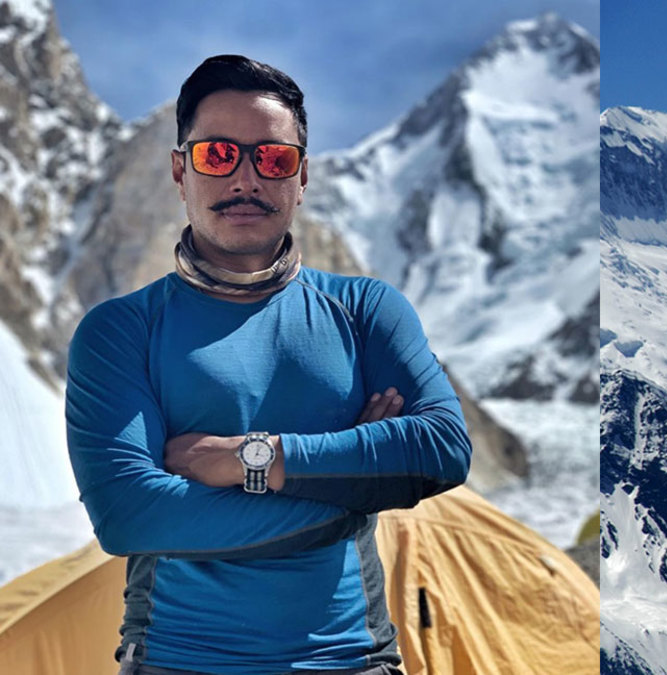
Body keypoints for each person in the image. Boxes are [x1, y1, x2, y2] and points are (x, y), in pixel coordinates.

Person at [65, 54, 472, 675]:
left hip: (353, 659)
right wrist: (360, 478)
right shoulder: (121, 331)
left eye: (274, 158)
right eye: (217, 155)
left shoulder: (366, 310)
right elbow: (129, 514)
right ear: (181, 170)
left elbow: (441, 449)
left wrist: (248, 459)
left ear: (301, 176)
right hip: (177, 659)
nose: (246, 178)